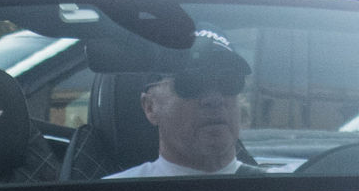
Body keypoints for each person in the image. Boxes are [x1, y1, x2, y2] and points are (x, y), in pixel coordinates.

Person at [109, 29, 262, 178]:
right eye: (191, 83)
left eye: (230, 81)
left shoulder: (280, 190)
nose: (214, 99)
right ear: (150, 107)